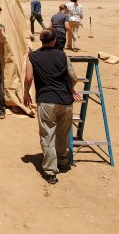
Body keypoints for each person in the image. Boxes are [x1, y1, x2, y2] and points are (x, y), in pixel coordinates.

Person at [23, 28, 81, 185]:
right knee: (63, 134)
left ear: (41, 40)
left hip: (47, 101)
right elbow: (73, 77)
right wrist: (71, 89)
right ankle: (63, 162)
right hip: (65, 101)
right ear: (54, 41)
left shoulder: (32, 56)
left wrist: (26, 93)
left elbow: (28, 77)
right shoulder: (62, 55)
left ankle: (50, 172)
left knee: (48, 136)